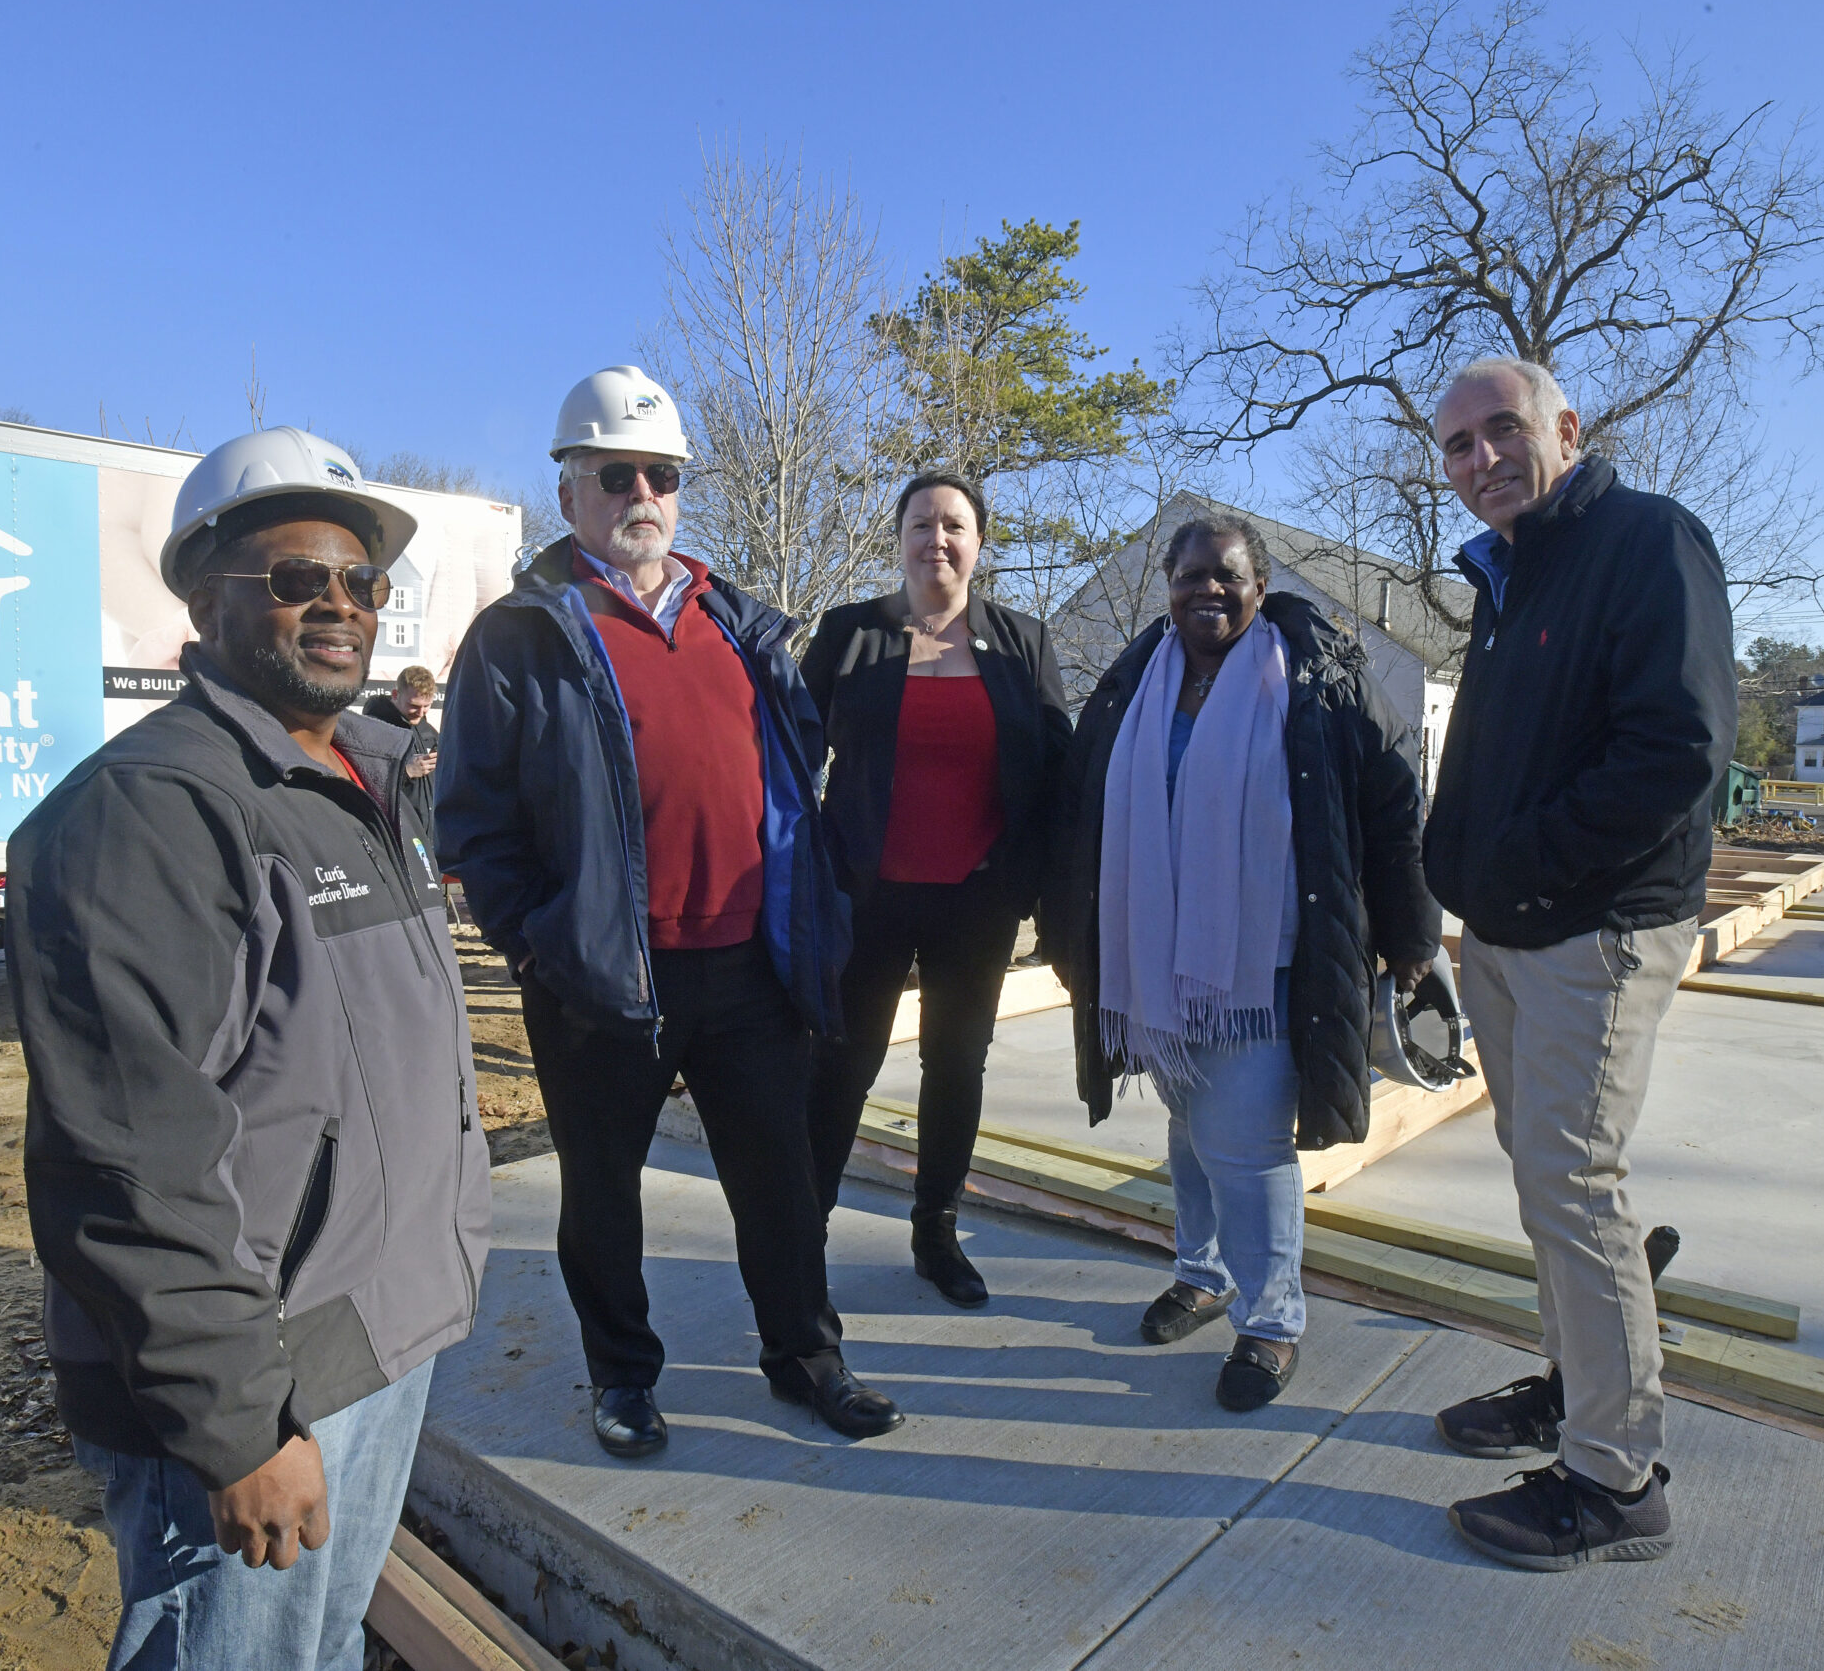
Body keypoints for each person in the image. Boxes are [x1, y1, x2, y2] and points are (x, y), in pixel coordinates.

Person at [9, 426, 489, 1670]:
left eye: (361, 582)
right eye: (294, 579)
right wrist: (232, 1426)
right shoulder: (153, 812)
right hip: (256, 1392)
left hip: (367, 1342)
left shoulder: (359, 781)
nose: (338, 605)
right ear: (201, 595)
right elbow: (127, 1161)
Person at [437, 365, 902, 1460]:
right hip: (603, 975)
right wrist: (545, 945)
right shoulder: (520, 638)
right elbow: (473, 822)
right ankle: (623, 1378)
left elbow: (798, 782)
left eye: (661, 473)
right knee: (602, 1197)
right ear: (570, 492)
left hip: (750, 967)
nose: (640, 492)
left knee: (779, 1186)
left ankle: (806, 1359)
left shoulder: (738, 624)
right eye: (615, 474)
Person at [1421, 357, 1735, 1572]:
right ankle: (1575, 1386)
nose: (1481, 458)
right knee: (1541, 1174)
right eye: (1456, 446)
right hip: (1509, 930)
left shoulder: (1645, 541)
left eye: (1502, 430)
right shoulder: (1513, 574)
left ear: (1566, 426)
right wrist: (1466, 886)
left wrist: (1530, 876)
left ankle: (1615, 1479)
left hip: (1592, 929)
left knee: (1572, 1181)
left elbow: (1676, 752)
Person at [1045, 513, 1438, 1412]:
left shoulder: (1317, 674)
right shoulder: (1137, 678)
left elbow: (1390, 799)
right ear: (1168, 588)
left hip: (1266, 963)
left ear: (1259, 586)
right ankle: (1203, 1269)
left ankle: (1272, 1321)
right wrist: (1070, 932)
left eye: (1225, 575)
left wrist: (1412, 934)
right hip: (1159, 961)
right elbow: (1080, 806)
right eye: (1188, 576)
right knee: (1189, 1120)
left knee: (1247, 1142)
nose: (1206, 591)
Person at [799, 471, 1073, 1306]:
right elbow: (787, 758)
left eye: (955, 525)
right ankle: (800, 1234)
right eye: (921, 524)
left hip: (977, 901)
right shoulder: (851, 634)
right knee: (843, 1064)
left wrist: (1035, 888)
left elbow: (1059, 773)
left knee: (957, 1066)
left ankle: (937, 1231)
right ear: (900, 539)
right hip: (866, 896)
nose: (938, 541)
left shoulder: (1022, 641)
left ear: (979, 544)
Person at [364, 664, 442, 852]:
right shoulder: (374, 728)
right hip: (393, 838)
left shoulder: (428, 732)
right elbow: (363, 780)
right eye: (414, 705)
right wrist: (406, 772)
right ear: (395, 694)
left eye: (427, 706)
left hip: (429, 839)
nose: (421, 713)